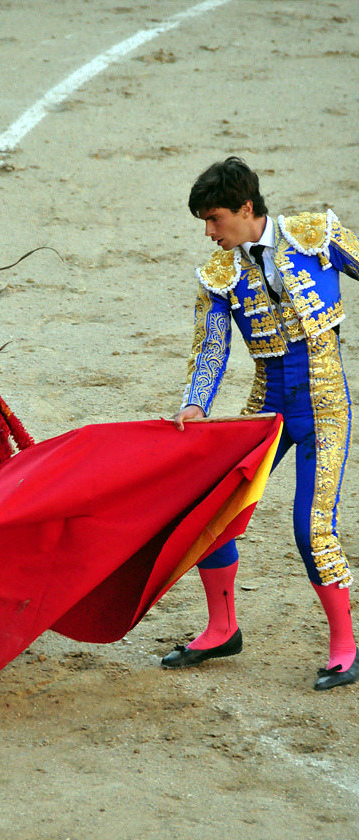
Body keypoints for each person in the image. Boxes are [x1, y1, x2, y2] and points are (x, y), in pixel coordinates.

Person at [161, 156, 359, 690]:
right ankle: (222, 628)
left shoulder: (315, 234)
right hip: (267, 408)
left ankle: (345, 648)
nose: (209, 233)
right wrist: (196, 403)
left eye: (215, 219)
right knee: (211, 507)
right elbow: (210, 349)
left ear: (246, 208)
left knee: (311, 527)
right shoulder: (218, 275)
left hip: (324, 407)